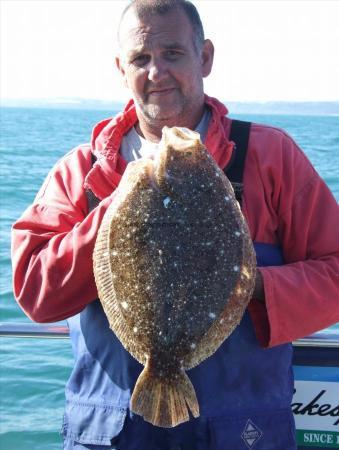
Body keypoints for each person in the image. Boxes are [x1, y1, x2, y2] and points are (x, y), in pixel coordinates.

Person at [11, 1, 339, 449]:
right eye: (140, 59)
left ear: (204, 57)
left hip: (243, 429)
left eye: (172, 54)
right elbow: (34, 291)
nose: (156, 72)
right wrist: (118, 212)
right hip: (110, 429)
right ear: (120, 68)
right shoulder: (82, 171)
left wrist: (248, 284)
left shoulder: (269, 156)